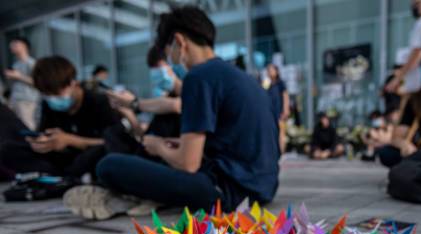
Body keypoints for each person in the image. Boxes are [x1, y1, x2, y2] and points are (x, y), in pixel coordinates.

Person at [63, 5, 280, 219]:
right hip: (264, 187)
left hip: (230, 192)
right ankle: (144, 197)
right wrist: (178, 146)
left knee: (108, 165)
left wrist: (158, 147)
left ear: (179, 42)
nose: (173, 61)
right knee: (163, 159)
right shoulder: (241, 77)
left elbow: (188, 164)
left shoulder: (198, 77)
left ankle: (129, 196)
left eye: (170, 55)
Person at [0, 56, 120, 178]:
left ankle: (64, 177)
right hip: (63, 157)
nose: (52, 99)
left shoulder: (99, 101)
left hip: (90, 155)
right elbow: (45, 132)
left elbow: (115, 143)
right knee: (9, 150)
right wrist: (42, 142)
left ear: (73, 83)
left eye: (57, 93)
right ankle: (60, 177)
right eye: (47, 95)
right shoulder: (48, 104)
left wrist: (71, 140)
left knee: (96, 155)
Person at [385, 0, 421, 94]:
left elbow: (417, 53)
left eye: (417, 4)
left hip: (419, 81)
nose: (414, 7)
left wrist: (398, 78)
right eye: (413, 4)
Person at [3, 37, 39, 130]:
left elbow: (38, 82)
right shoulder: (15, 65)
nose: (11, 46)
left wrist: (18, 76)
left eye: (15, 43)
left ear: (24, 45)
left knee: (28, 126)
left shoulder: (32, 63)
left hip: (27, 100)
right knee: (16, 127)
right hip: (15, 100)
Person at [265, 64, 290, 153]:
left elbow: (285, 96)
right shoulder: (266, 83)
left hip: (279, 113)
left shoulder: (280, 83)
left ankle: (281, 152)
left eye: (271, 70)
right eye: (268, 70)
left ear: (277, 71)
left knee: (281, 133)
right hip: (269, 113)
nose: (269, 72)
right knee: (270, 133)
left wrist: (286, 109)